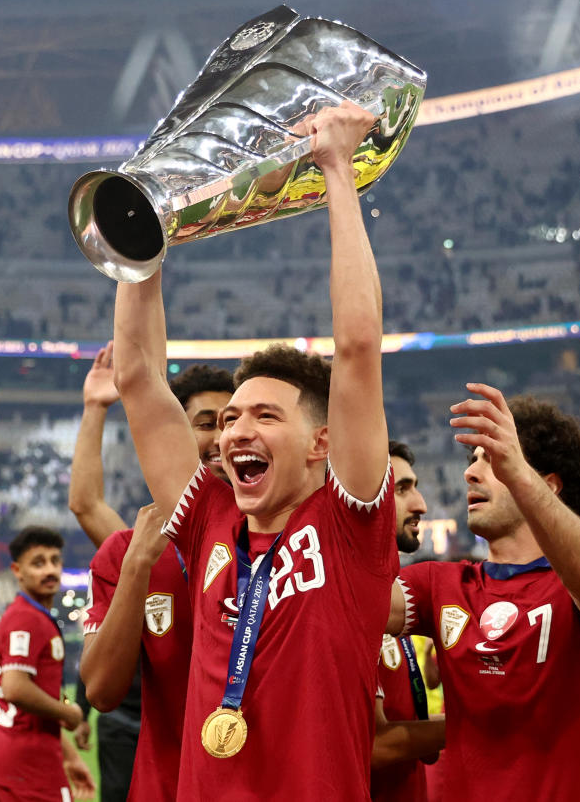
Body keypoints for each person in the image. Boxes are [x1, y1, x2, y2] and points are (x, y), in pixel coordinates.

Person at [113, 102, 397, 800]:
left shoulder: (350, 523)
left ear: (320, 444)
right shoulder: (213, 514)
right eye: (232, 416)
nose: (236, 431)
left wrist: (337, 171)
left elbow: (357, 350)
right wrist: (142, 235)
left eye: (266, 416)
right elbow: (138, 380)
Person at [387, 388, 580, 802]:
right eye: (473, 460)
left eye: (493, 460)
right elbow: (347, 605)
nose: (470, 473)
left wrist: (516, 471)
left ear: (547, 484)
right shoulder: (440, 585)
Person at [75, 346, 231, 802]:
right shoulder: (134, 549)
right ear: (174, 436)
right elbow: (100, 689)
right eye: (206, 424)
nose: (223, 439)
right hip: (164, 783)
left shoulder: (284, 538)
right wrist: (94, 409)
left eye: (233, 422)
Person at [0, 526, 96, 802]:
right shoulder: (27, 618)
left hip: (7, 759)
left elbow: (34, 707)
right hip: (28, 769)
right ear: (17, 571)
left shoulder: (29, 616)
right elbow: (15, 688)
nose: (50, 570)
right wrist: (71, 714)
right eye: (38, 563)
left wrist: (69, 757)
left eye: (55, 561)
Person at [371, 439, 446, 802]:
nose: (421, 505)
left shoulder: (397, 600)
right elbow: (371, 745)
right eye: (402, 489)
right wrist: (475, 723)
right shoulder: (347, 602)